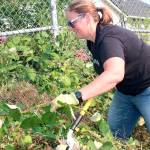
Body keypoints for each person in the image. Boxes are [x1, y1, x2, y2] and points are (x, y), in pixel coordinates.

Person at [51, 0, 150, 139]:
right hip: (126, 91)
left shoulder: (109, 38)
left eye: (71, 22)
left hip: (147, 88)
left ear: (86, 18)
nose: (70, 28)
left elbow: (114, 74)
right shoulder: (93, 41)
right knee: (116, 132)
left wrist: (77, 96)